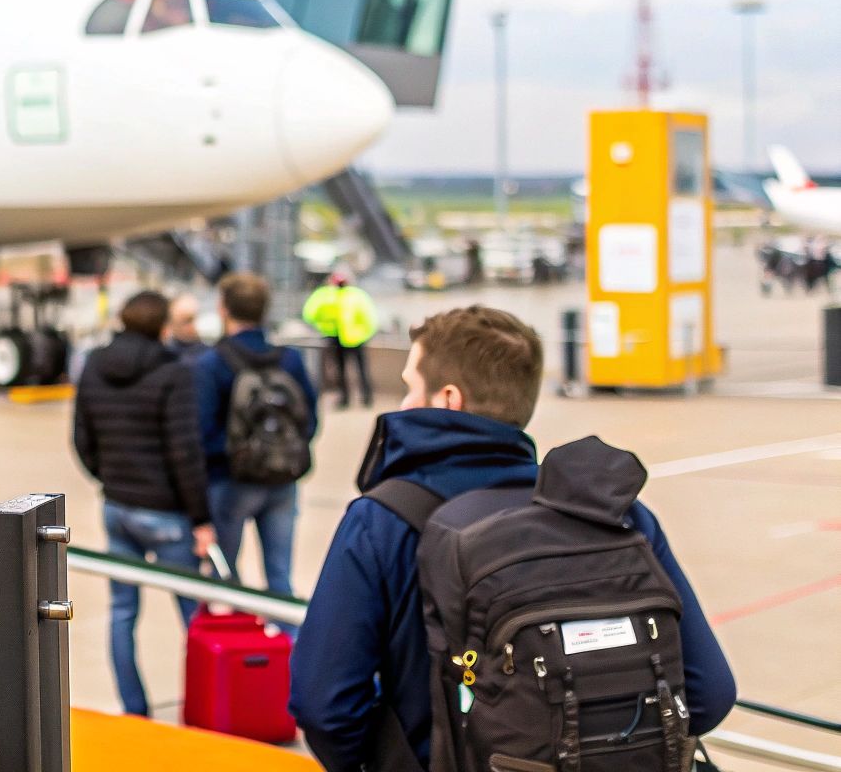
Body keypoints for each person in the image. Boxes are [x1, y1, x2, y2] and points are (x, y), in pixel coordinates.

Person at [289, 306, 735, 772]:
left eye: (409, 386)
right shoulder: (619, 514)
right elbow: (709, 692)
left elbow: (324, 703)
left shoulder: (384, 519)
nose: (402, 405)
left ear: (448, 398)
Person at [73, 290, 214, 719]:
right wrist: (202, 519)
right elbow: (184, 451)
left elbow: (82, 437)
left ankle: (134, 711)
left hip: (117, 507)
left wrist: (109, 477)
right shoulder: (174, 371)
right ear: (161, 325)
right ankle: (207, 705)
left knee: (121, 613)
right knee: (194, 615)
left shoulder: (95, 363)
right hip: (167, 512)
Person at [193, 273, 317, 597]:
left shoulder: (211, 362)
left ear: (223, 309)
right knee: (279, 576)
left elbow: (202, 431)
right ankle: (287, 642)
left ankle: (238, 642)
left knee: (227, 576)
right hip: (283, 479)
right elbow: (309, 418)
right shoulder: (290, 359)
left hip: (230, 480)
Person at [302, 271, 378, 409]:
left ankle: (348, 399)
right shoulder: (357, 295)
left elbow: (310, 314)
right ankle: (365, 398)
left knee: (345, 370)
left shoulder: (325, 295)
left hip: (340, 337)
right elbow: (370, 318)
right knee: (359, 369)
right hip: (354, 337)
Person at [164, 294, 208, 362]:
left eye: (192, 320)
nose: (192, 326)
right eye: (186, 321)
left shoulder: (208, 354)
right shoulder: (166, 353)